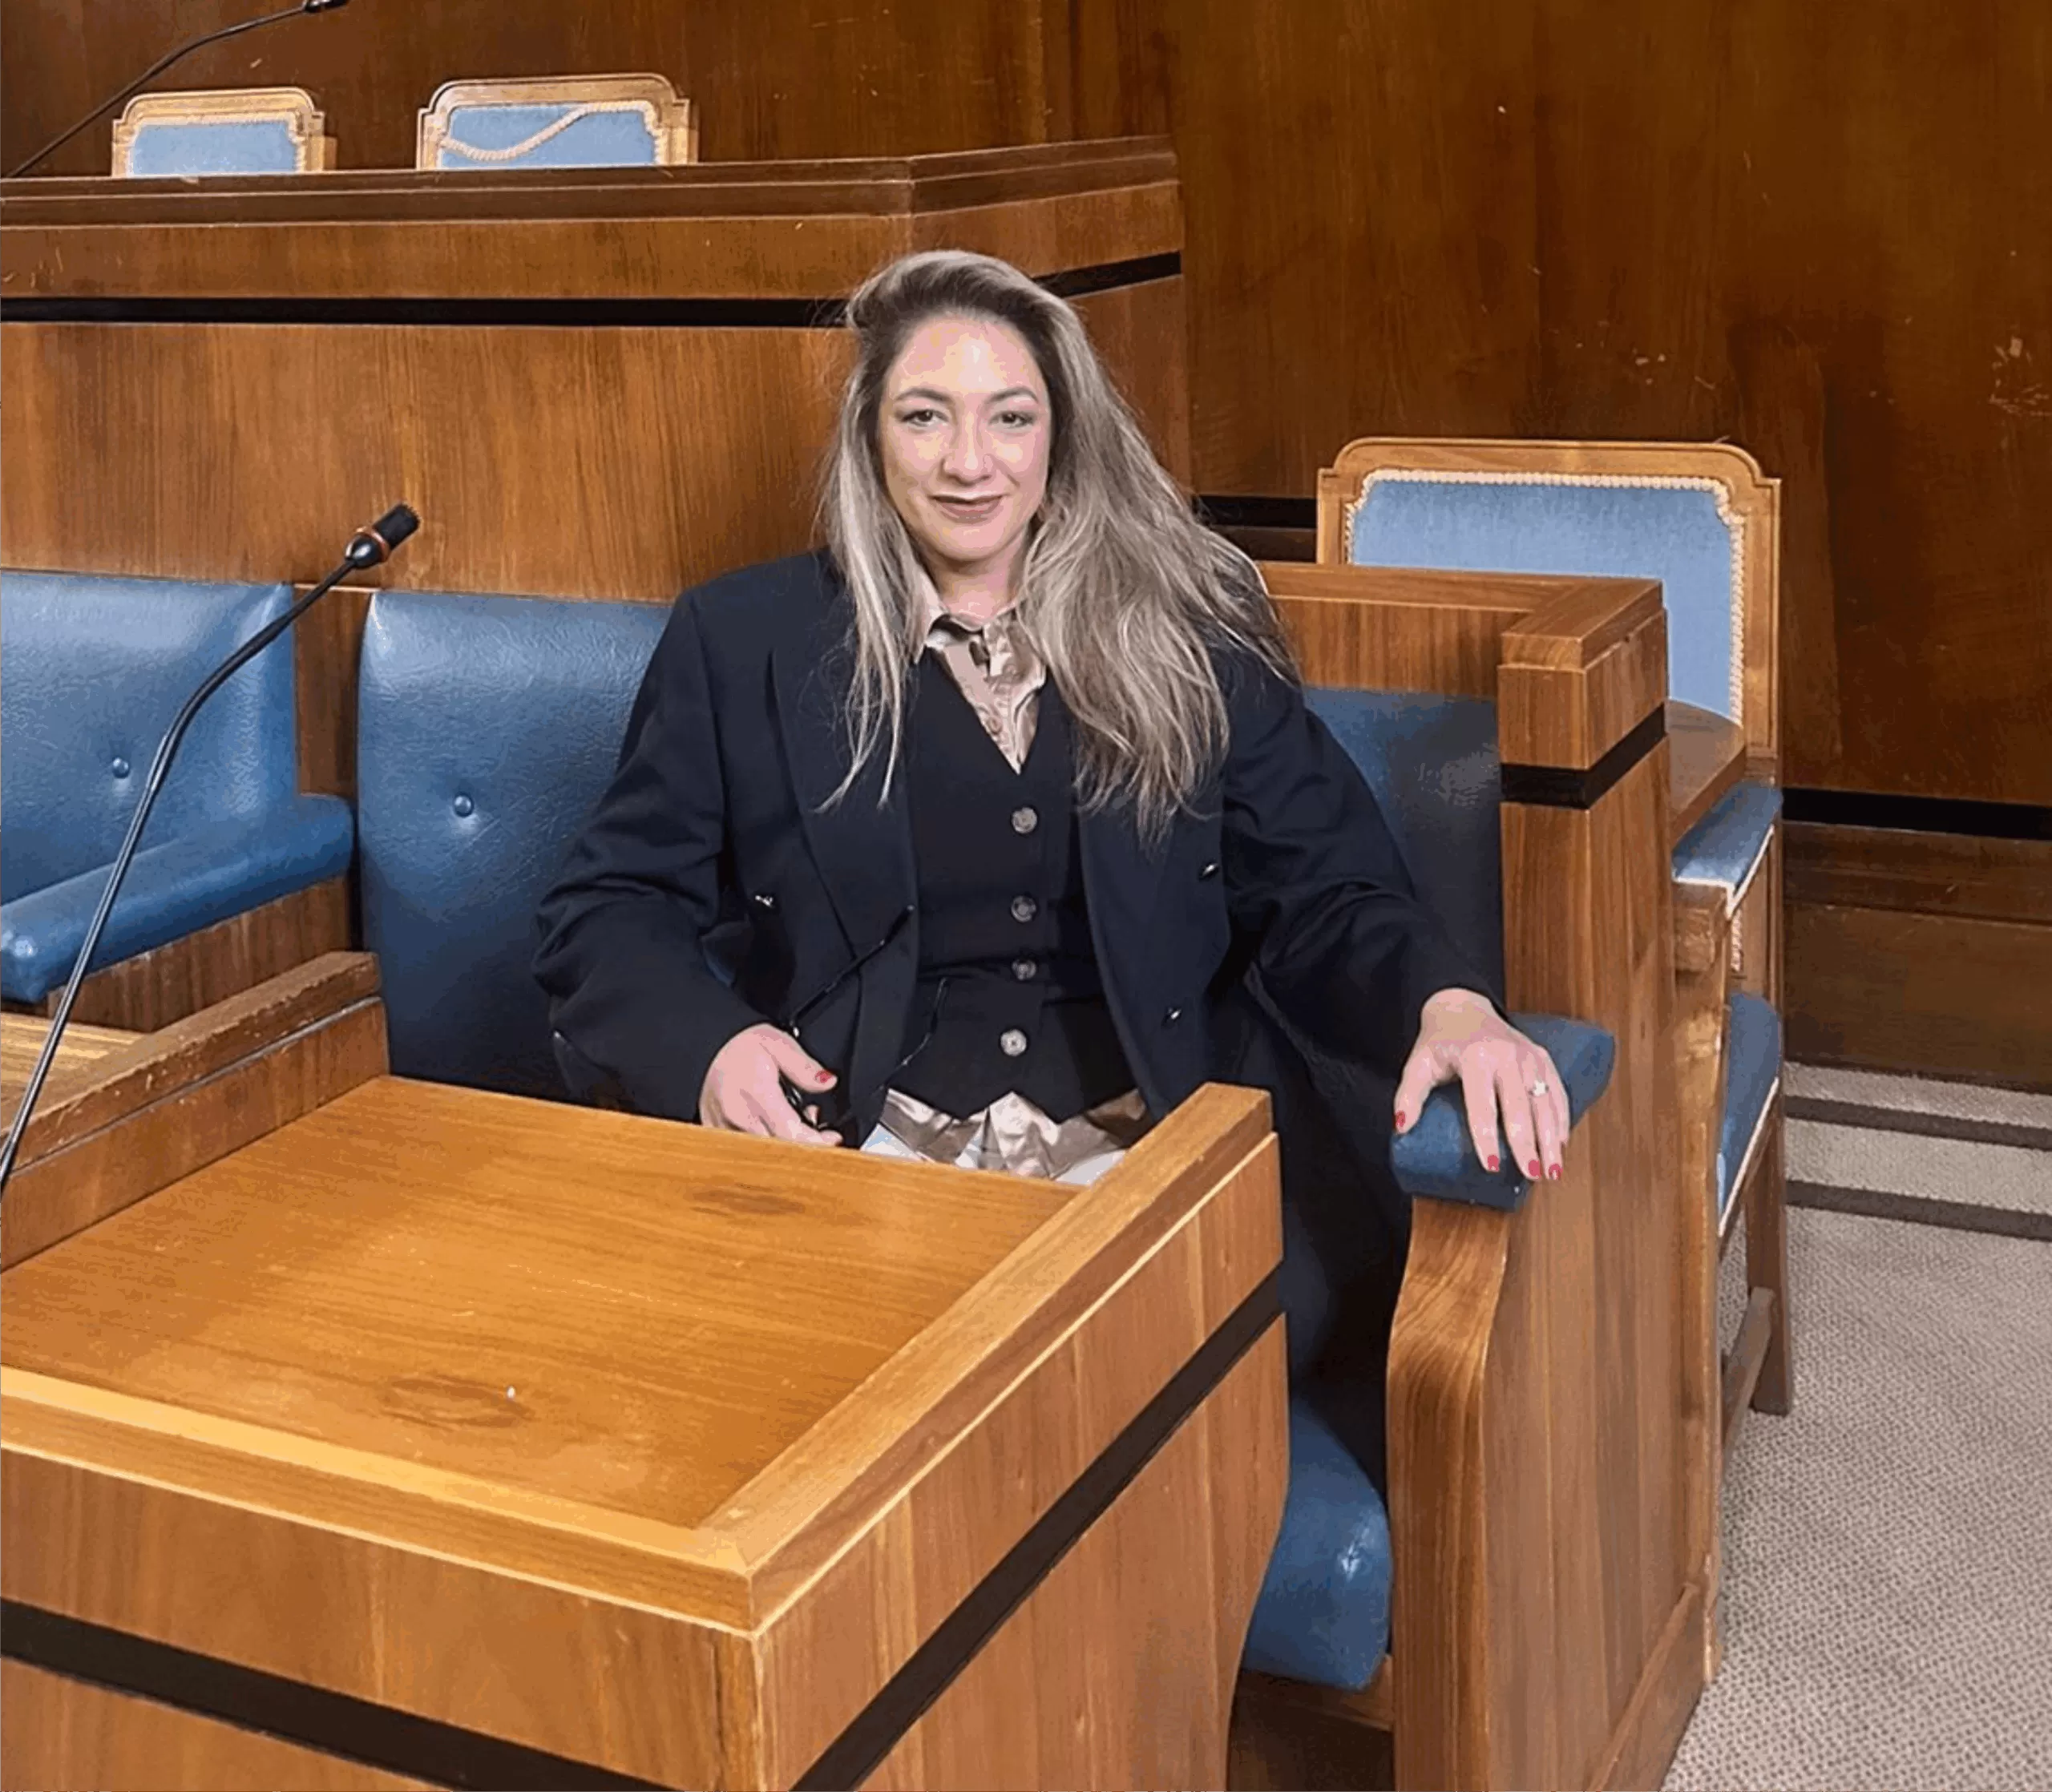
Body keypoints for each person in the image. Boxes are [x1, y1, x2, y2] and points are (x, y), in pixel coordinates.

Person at [533, 248, 1568, 1482]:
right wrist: (710, 1046)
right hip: (866, 1162)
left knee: (1083, 1423)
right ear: (871, 439)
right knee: (804, 1431)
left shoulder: (1192, 625)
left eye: (1009, 418)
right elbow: (606, 909)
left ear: (1061, 435)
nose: (969, 462)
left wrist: (1446, 1004)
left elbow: (1326, 890)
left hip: (1155, 1152)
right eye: (926, 417)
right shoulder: (742, 637)